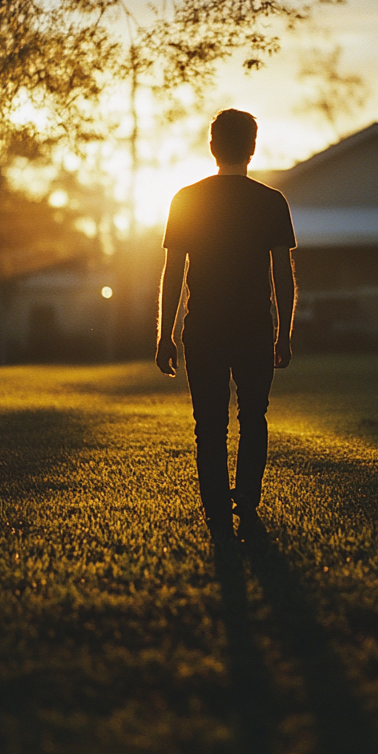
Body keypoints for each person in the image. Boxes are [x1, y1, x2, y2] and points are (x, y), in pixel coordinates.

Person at [156, 109, 297, 536]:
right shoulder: (271, 201)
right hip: (254, 326)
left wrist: (166, 334)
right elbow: (282, 276)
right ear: (252, 148)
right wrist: (283, 334)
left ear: (213, 146)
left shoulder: (186, 198)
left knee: (209, 425)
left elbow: (172, 273)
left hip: (204, 328)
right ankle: (247, 503)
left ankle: (217, 509)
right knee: (254, 416)